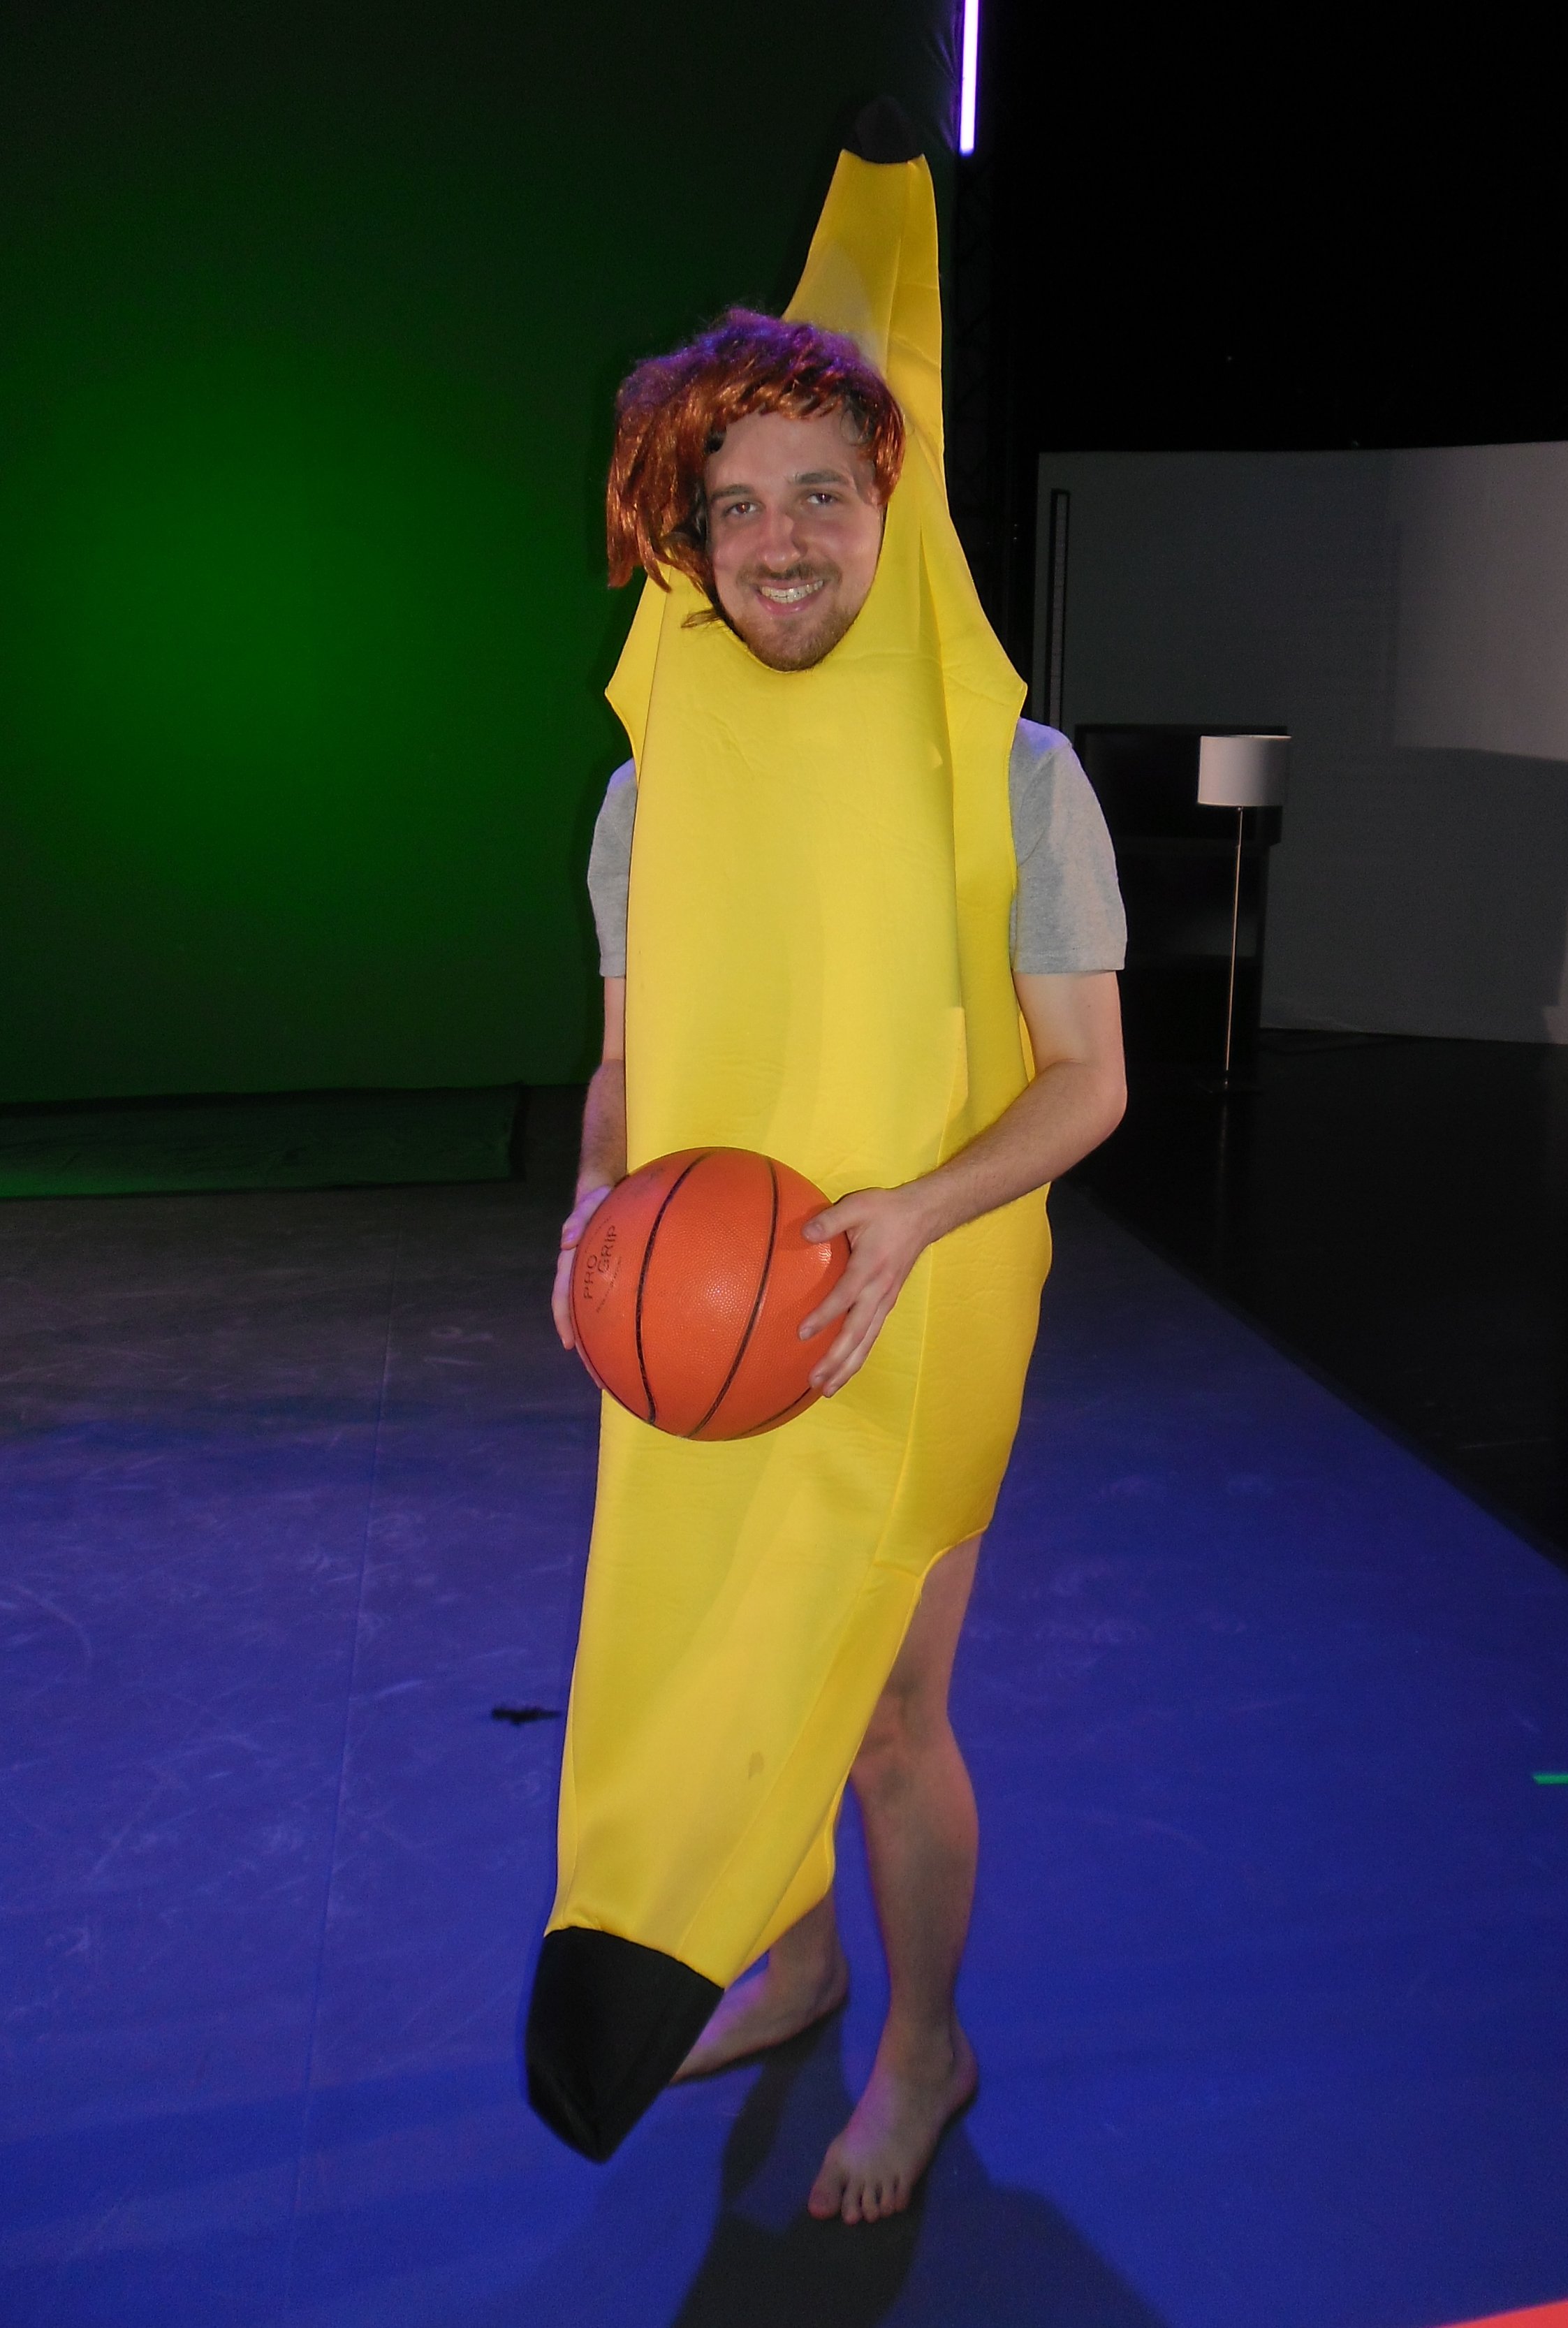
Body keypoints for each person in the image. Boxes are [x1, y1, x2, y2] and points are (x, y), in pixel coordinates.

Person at [527, 117, 1126, 2227]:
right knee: (733, 1641)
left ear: (895, 508)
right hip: (706, 1291)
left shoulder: (1016, 777)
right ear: (684, 537)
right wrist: (597, 1215)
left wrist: (911, 1217)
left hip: (925, 1290)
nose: (777, 541)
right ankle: (784, 1968)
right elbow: (626, 1072)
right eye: (734, 503)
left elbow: (1085, 1087)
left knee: (878, 1710)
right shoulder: (653, 789)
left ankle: (923, 2044)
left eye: (819, 495)